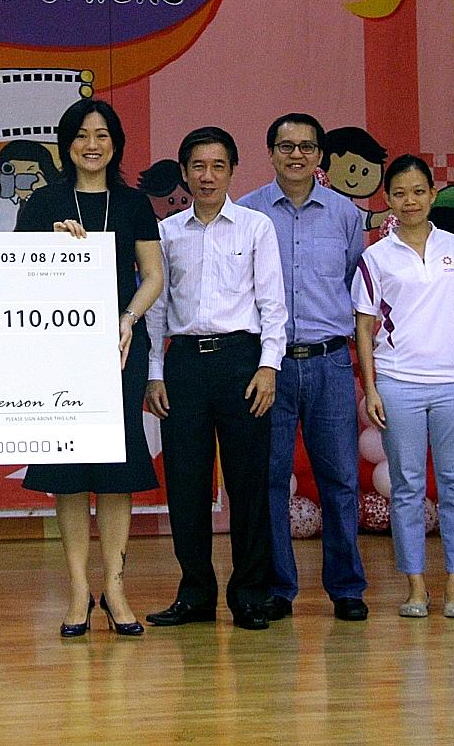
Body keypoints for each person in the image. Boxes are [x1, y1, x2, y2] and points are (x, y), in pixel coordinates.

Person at [18, 100, 164, 637]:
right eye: (81, 135)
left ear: (116, 143)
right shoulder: (41, 203)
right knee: (70, 473)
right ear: (66, 143)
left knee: (116, 468)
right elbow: (17, 278)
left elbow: (153, 274)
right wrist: (49, 251)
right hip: (59, 352)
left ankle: (117, 588)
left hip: (120, 349)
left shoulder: (133, 204)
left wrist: (128, 319)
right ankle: (80, 589)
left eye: (103, 134)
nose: (92, 144)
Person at [145, 126, 287, 631]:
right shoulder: (166, 232)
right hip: (183, 363)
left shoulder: (255, 227)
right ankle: (196, 593)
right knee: (185, 484)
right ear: (184, 173)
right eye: (198, 167)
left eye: (218, 167)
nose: (207, 176)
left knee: (249, 483)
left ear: (232, 171)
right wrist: (155, 373)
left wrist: (269, 366)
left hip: (241, 361)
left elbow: (273, 305)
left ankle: (249, 593)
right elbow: (156, 307)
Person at [238, 112, 369, 622]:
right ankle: (278, 587)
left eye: (307, 147)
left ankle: (347, 587)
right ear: (270, 153)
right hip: (269, 366)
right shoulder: (247, 212)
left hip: (331, 362)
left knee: (339, 478)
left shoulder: (345, 214)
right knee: (271, 479)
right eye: (286, 146)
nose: (296, 155)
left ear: (321, 157)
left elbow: (356, 285)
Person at [353, 154, 454, 619]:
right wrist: (373, 387)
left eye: (419, 192)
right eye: (400, 193)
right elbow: (364, 329)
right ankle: (416, 588)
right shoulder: (375, 257)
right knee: (406, 487)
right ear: (388, 199)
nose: (410, 201)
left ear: (433, 194)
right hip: (398, 383)